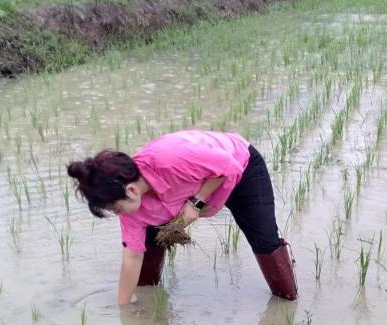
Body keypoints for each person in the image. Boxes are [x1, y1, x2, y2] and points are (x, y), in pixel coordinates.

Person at [67, 130, 297, 305]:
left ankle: (288, 301)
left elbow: (228, 165)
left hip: (241, 169)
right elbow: (132, 257)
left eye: (116, 209)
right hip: (200, 185)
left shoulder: (168, 158)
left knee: (265, 241)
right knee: (150, 238)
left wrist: (196, 202)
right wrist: (124, 310)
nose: (119, 215)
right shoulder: (132, 209)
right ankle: (149, 294)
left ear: (131, 191)